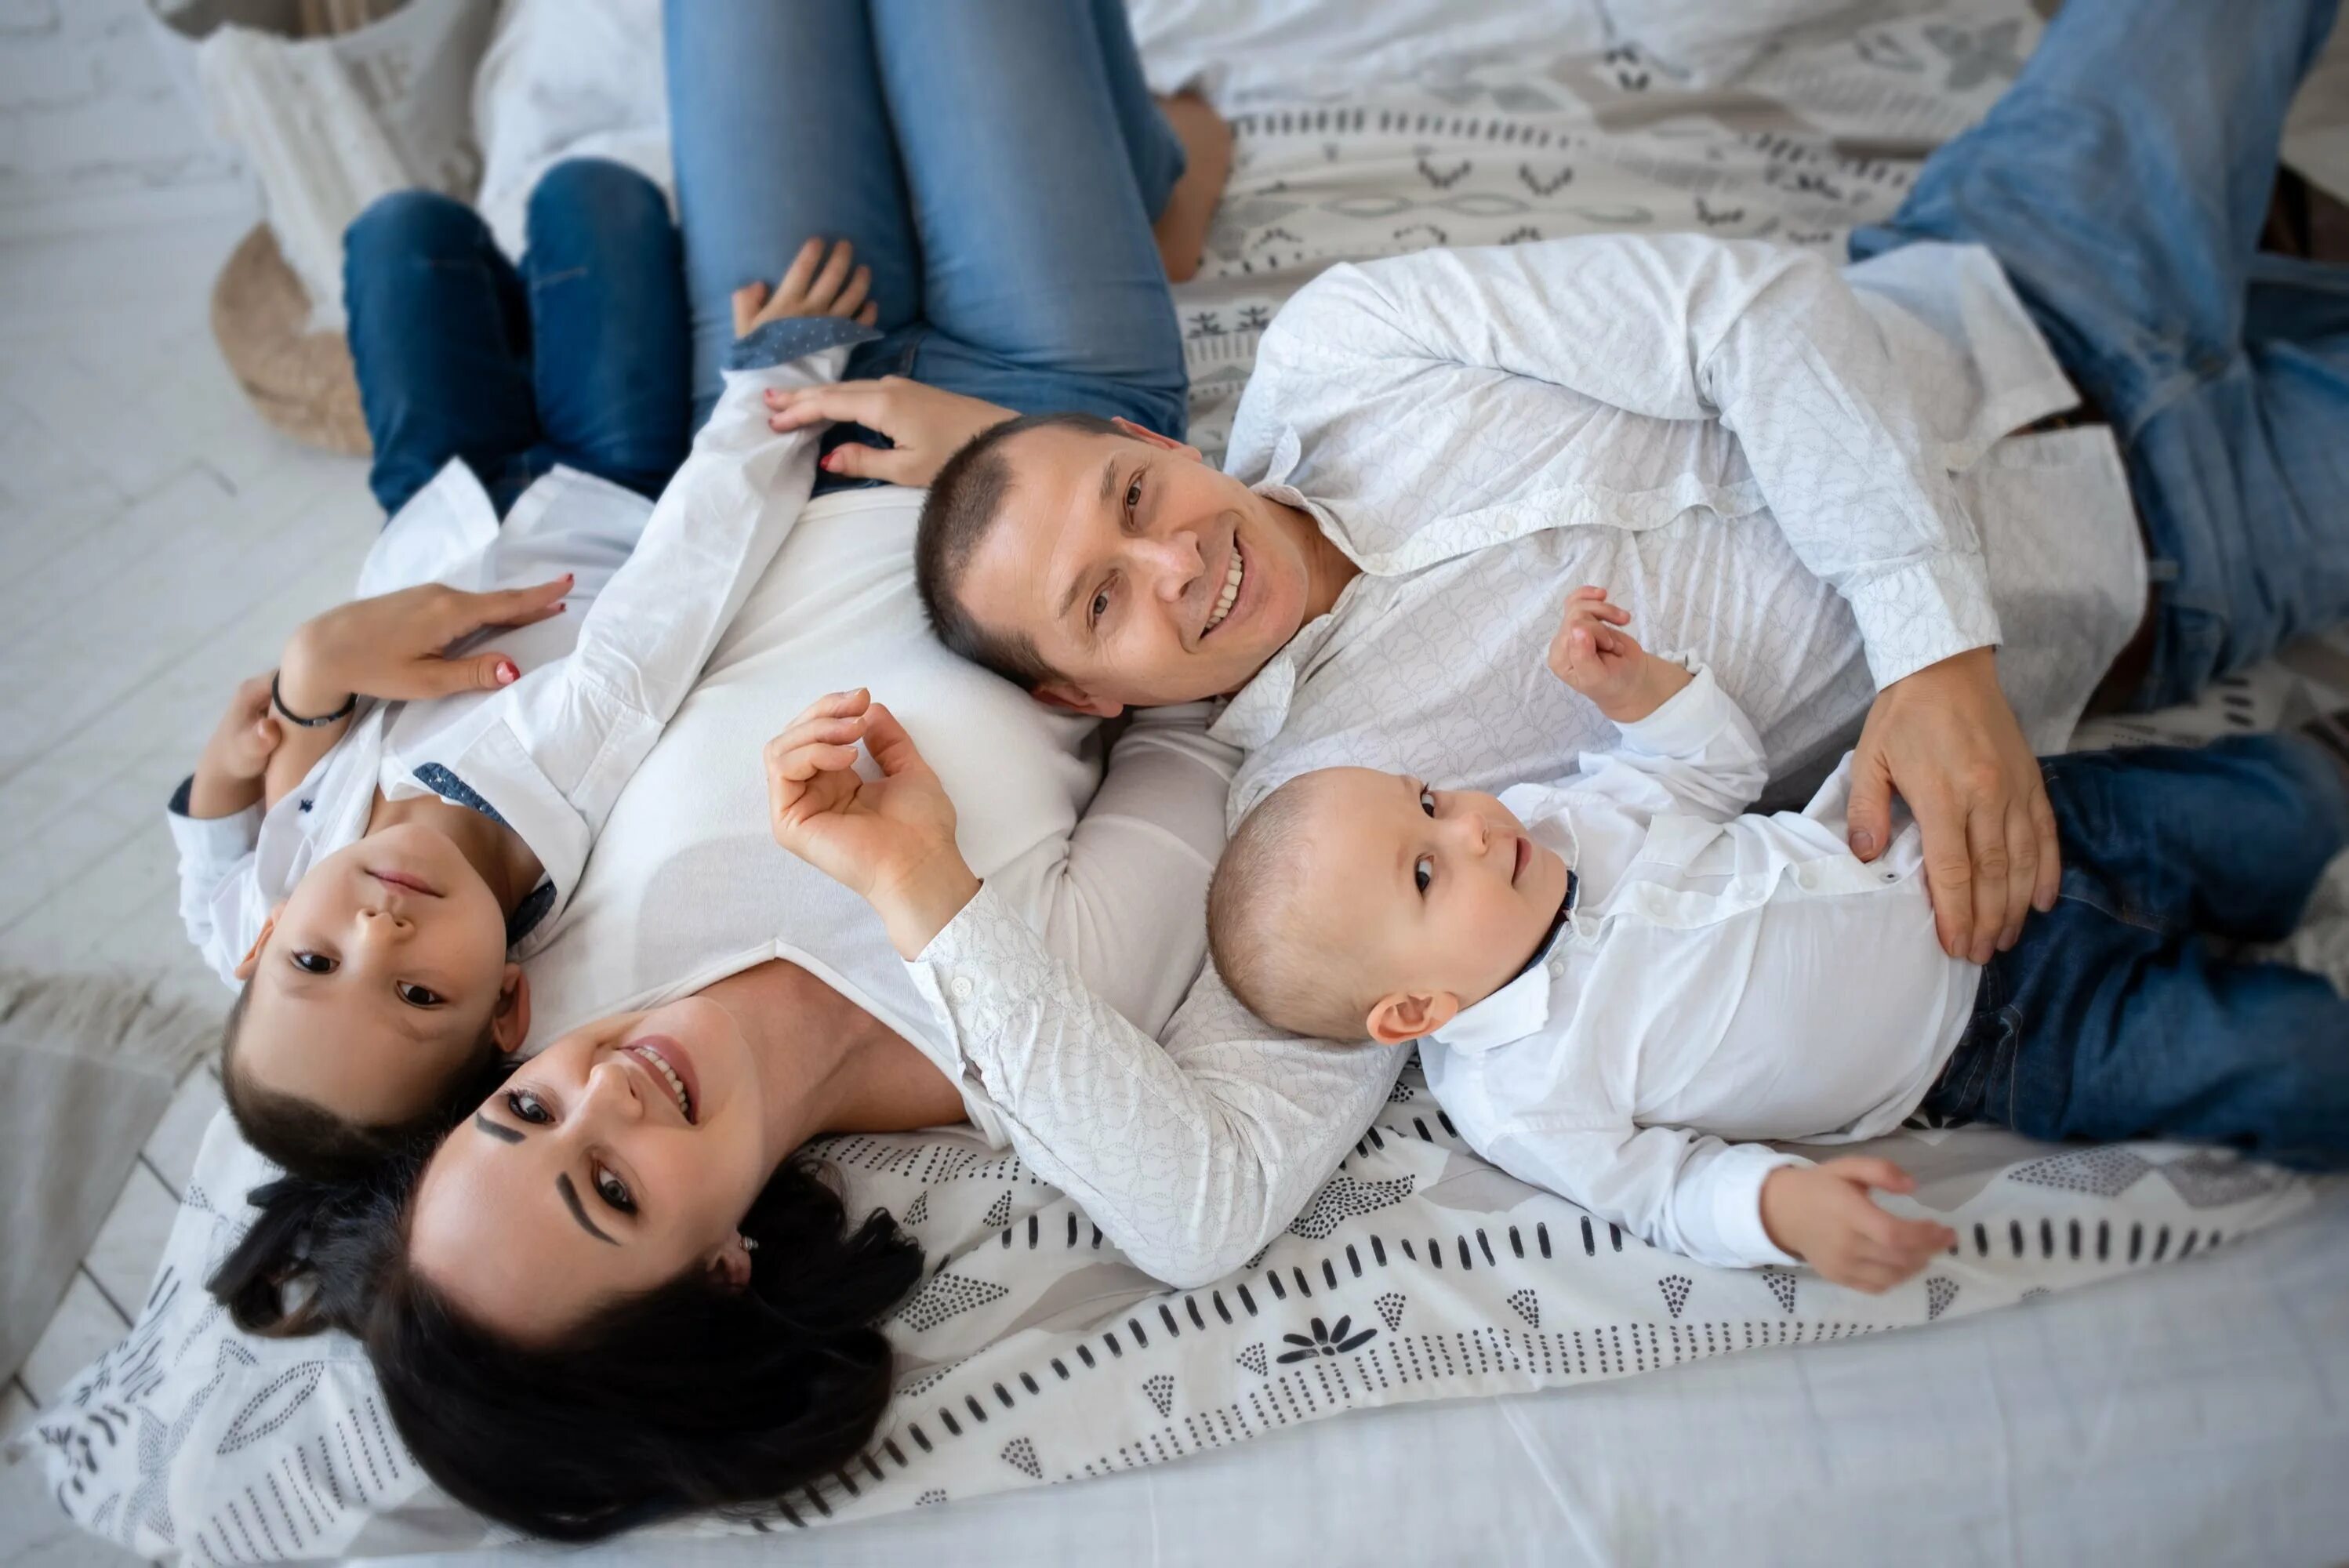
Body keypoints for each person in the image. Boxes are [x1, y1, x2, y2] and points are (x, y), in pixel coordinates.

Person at [730, 0, 2349, 1288]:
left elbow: (1750, 313)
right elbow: (1198, 1211)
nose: (1178, 557)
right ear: (1088, 697)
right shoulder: (1322, 827)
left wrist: (1930, 655)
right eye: (1104, 600)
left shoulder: (1343, 343)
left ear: (1150, 440)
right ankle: (2284, 261)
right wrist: (921, 897)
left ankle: (2266, 248)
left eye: (1137, 490)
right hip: (2156, 558)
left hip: (2007, 273)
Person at [205, 0, 1247, 1541]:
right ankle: (1139, 184)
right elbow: (1197, 735)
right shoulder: (1015, 1045)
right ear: (720, 1275)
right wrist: (992, 450)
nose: (598, 1100)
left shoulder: (510, 978)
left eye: (522, 1119)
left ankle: (1141, 166)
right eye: (612, 1191)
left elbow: (283, 980)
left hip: (774, 406)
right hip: (1044, 424)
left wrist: (289, 705)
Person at [1196, 586, 2349, 1291]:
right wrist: (1775, 1211)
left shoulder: (1561, 822)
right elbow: (1662, 1190)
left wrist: (1645, 693)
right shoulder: (1522, 1092)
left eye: (1431, 799)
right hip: (1998, 1035)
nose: (1476, 823)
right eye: (1425, 868)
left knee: (2264, 811)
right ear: (1413, 1012)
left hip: (1970, 833)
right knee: (2277, 1056)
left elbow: (1710, 774)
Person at [169, 159, 878, 1180]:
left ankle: (472, 249)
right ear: (508, 1001)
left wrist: (233, 763)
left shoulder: (258, 907)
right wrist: (783, 373)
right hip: (609, 485)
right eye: (418, 995)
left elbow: (204, 896)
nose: (379, 931)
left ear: (266, 942)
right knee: (593, 197)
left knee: (399, 234)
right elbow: (685, 581)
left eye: (315, 961)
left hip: (440, 510)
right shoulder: (562, 774)